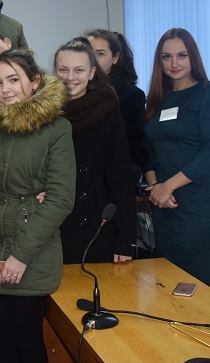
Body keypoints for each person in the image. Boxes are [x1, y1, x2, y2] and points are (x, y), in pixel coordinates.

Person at [0, 49, 75, 363]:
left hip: (32, 257)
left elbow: (61, 197)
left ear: (35, 81)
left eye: (13, 80)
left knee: (28, 345)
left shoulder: (56, 128)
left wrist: (21, 255)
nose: (5, 89)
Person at [144, 28, 210, 284]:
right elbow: (149, 151)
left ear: (193, 57)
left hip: (200, 208)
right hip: (165, 208)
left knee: (198, 292)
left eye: (182, 55)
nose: (174, 63)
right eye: (166, 57)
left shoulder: (208, 93)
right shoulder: (157, 99)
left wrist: (167, 186)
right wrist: (156, 188)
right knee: (167, 289)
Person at [53, 38, 136, 264]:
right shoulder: (44, 114)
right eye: (63, 69)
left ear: (91, 73)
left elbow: (121, 180)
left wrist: (126, 239)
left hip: (98, 227)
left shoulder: (108, 109)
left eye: (79, 70)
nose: (70, 77)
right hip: (53, 231)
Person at [85, 29, 148, 181]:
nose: (93, 60)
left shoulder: (131, 95)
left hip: (114, 176)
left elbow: (133, 147)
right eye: (89, 53)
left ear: (115, 58)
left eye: (100, 54)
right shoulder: (72, 92)